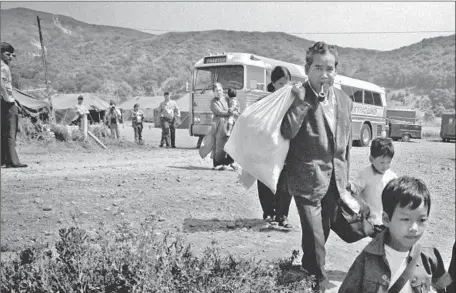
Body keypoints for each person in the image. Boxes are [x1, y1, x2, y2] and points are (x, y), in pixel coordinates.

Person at [278, 41, 353, 292]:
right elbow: (287, 131)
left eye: (329, 68)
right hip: (306, 179)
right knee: (315, 235)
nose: (324, 74)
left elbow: (345, 146)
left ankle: (309, 267)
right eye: (318, 68)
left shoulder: (344, 100)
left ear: (336, 71)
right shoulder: (298, 95)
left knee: (323, 229)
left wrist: (345, 180)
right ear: (307, 69)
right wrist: (302, 102)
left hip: (335, 181)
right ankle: (319, 282)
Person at [338, 176, 453, 293]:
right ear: (387, 219)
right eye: (405, 219)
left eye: (422, 220)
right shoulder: (367, 258)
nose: (414, 228)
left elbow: (442, 285)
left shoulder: (429, 255)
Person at [257, 66, 294, 228]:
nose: (284, 88)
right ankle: (268, 213)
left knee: (285, 183)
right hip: (266, 149)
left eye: (287, 84)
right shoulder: (264, 102)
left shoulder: (293, 102)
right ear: (273, 83)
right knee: (266, 180)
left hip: (286, 149)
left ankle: (282, 215)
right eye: (280, 84)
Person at [348, 137, 398, 236]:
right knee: (374, 245)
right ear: (371, 159)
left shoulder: (392, 176)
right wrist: (349, 185)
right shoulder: (365, 174)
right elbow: (356, 188)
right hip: (371, 221)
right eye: (382, 162)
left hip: (387, 220)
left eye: (388, 162)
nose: (385, 166)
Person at [1, 42, 27, 168]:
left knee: (4, 132)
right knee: (11, 131)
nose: (10, 57)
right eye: (7, 54)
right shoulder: (4, 67)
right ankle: (12, 161)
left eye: (12, 55)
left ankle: (4, 160)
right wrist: (9, 98)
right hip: (7, 101)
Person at [209, 82, 236, 170]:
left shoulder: (227, 99)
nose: (219, 92)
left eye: (220, 90)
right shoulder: (213, 102)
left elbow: (234, 106)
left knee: (231, 143)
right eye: (216, 91)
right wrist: (229, 113)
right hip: (219, 124)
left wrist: (233, 112)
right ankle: (219, 163)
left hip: (229, 124)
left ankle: (230, 162)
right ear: (213, 92)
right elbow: (218, 112)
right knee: (219, 143)